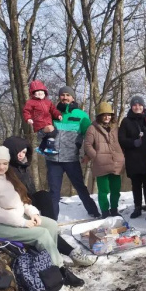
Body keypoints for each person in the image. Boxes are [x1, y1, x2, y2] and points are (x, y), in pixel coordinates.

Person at [0, 146, 84, 286]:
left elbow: (22, 200)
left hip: (16, 219)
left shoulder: (8, 176)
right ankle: (60, 271)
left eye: (5, 163)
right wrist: (22, 223)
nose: (2, 167)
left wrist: (33, 213)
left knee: (51, 225)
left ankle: (48, 259)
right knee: (41, 234)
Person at [3, 136, 97, 266]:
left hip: (28, 203)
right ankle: (70, 252)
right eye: (18, 151)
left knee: (44, 196)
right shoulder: (6, 170)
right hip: (17, 208)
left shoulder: (22, 166)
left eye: (24, 152)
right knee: (45, 228)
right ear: (10, 151)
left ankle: (52, 227)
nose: (21, 155)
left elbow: (29, 191)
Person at [43, 85, 100, 219]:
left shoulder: (81, 115)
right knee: (54, 192)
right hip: (53, 159)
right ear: (59, 97)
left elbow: (89, 136)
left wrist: (87, 154)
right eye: (62, 95)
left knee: (80, 188)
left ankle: (94, 212)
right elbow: (42, 131)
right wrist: (43, 131)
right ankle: (53, 219)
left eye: (68, 95)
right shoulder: (52, 113)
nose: (65, 97)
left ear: (72, 97)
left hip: (71, 159)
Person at [118, 95, 146, 219]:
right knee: (136, 185)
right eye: (135, 105)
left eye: (140, 105)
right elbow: (121, 139)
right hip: (133, 159)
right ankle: (137, 207)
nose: (137, 107)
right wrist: (132, 143)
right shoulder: (126, 121)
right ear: (131, 107)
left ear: (143, 106)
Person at [84, 102, 124, 218]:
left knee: (116, 190)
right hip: (101, 165)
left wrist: (123, 155)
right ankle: (105, 212)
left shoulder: (116, 128)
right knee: (103, 191)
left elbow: (122, 142)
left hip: (117, 163)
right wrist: (96, 156)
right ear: (100, 116)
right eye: (104, 115)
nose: (107, 117)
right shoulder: (92, 128)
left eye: (109, 114)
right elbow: (87, 145)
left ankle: (114, 210)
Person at [22, 80, 62, 154]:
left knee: (52, 133)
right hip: (39, 124)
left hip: (48, 122)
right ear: (33, 93)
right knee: (52, 130)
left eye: (41, 91)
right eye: (37, 91)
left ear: (44, 92)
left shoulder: (48, 102)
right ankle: (50, 147)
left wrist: (58, 115)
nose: (40, 93)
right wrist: (28, 118)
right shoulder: (31, 102)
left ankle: (41, 148)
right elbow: (26, 111)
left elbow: (53, 110)